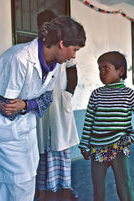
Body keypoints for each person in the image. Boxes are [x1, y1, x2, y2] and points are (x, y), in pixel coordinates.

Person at [0, 16, 86, 201]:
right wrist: (30, 105)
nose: (74, 56)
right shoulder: (18, 59)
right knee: (12, 183)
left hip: (24, 125)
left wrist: (26, 105)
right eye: (74, 50)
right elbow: (7, 108)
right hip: (0, 126)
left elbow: (46, 99)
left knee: (27, 178)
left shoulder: (53, 65)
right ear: (61, 43)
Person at [78, 51, 134, 201]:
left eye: (106, 68)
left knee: (124, 187)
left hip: (119, 148)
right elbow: (89, 122)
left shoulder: (130, 94)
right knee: (98, 189)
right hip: (97, 148)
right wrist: (84, 144)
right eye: (99, 69)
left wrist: (132, 137)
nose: (101, 73)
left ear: (120, 71)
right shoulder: (96, 94)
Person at [35, 10, 79, 200]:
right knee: (42, 145)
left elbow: (73, 76)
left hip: (60, 103)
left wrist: (67, 96)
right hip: (38, 106)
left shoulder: (65, 48)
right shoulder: (35, 50)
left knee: (60, 144)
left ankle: (64, 188)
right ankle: (44, 190)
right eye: (43, 25)